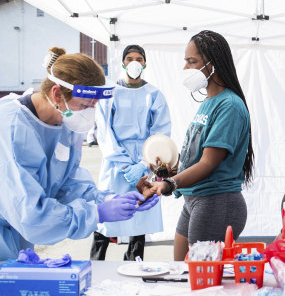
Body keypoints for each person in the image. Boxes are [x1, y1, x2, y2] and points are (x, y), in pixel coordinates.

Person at [0, 48, 158, 261]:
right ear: (57, 94)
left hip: (19, 236)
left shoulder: (65, 121)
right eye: (85, 105)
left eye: (94, 105)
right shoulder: (11, 128)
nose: (89, 113)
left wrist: (108, 199)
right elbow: (30, 215)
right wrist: (96, 213)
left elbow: (68, 183)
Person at [147, 30, 254, 261]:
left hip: (217, 202)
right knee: (181, 270)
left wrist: (170, 183)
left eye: (191, 61)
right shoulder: (209, 102)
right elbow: (195, 159)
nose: (185, 68)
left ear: (213, 64)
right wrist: (166, 173)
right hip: (195, 200)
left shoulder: (230, 105)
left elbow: (208, 163)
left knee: (200, 281)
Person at [90, 44, 171, 261]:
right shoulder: (110, 93)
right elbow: (105, 132)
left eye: (139, 58)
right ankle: (95, 265)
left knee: (140, 215)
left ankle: (135, 265)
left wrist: (144, 164)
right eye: (129, 58)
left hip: (144, 162)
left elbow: (160, 133)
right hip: (115, 162)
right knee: (106, 215)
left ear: (145, 63)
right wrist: (125, 165)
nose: (134, 62)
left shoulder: (154, 94)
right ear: (123, 62)